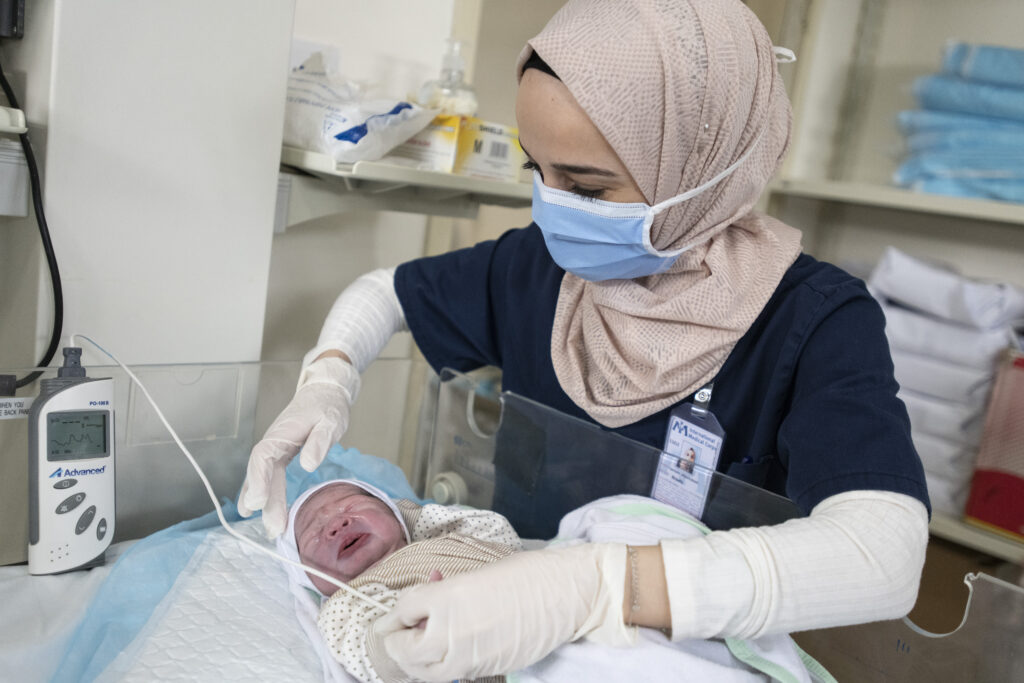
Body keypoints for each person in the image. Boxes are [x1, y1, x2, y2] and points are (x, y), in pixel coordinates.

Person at [240, 0, 931, 680]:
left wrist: (596, 588)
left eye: (588, 186)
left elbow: (883, 554)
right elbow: (384, 292)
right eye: (536, 170)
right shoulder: (538, 266)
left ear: (705, 167)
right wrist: (329, 377)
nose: (552, 207)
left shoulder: (813, 320)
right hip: (508, 636)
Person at [276, 478, 522, 683]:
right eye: (314, 531)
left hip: (539, 601)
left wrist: (408, 517)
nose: (338, 524)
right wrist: (411, 637)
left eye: (350, 506)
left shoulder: (445, 538)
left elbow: (499, 533)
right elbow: (364, 651)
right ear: (305, 576)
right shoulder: (347, 603)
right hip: (493, 661)